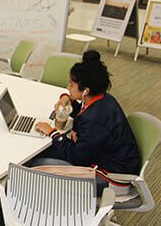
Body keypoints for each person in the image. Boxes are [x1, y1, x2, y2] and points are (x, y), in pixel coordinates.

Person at [33, 50, 140, 195]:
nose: (67, 88)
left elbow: (78, 158)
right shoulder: (102, 99)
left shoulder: (95, 118)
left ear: (85, 90)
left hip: (109, 177)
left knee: (36, 165)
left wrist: (52, 133)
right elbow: (82, 111)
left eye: (71, 85)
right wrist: (67, 98)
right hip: (108, 160)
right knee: (48, 150)